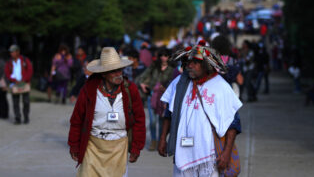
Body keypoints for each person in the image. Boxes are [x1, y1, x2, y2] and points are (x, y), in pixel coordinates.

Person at [158, 42, 242, 176]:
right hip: (182, 151)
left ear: (206, 65)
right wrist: (162, 139)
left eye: (195, 62)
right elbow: (169, 113)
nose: (190, 66)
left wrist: (227, 152)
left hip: (209, 157)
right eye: (188, 62)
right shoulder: (179, 83)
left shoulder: (221, 87)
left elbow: (233, 123)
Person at [68, 47, 146, 177]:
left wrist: (136, 147)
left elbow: (139, 119)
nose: (118, 74)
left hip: (119, 146)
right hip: (93, 146)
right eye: (113, 71)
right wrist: (74, 145)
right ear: (103, 73)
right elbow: (77, 119)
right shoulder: (90, 88)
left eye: (119, 70)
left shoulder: (129, 89)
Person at [138, 47, 174, 151]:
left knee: (162, 121)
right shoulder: (154, 66)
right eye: (161, 55)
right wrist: (143, 84)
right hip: (152, 95)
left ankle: (160, 141)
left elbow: (173, 84)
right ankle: (153, 141)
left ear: (169, 57)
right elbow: (142, 76)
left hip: (164, 98)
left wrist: (166, 88)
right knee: (153, 121)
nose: (163, 58)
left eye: (165, 56)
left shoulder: (172, 69)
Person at [4, 44, 33, 124]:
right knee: (15, 102)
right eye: (11, 52)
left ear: (17, 52)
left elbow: (30, 70)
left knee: (26, 101)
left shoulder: (24, 60)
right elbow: (7, 73)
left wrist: (24, 79)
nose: (11, 54)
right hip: (14, 84)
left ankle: (26, 116)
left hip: (25, 83)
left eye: (13, 52)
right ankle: (18, 118)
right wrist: (13, 79)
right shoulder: (9, 62)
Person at [0, 48, 9, 119]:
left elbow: (2, 74)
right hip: (4, 82)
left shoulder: (1, 62)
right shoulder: (5, 62)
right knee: (3, 98)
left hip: (2, 82)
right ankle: (4, 113)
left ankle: (3, 113)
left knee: (2, 98)